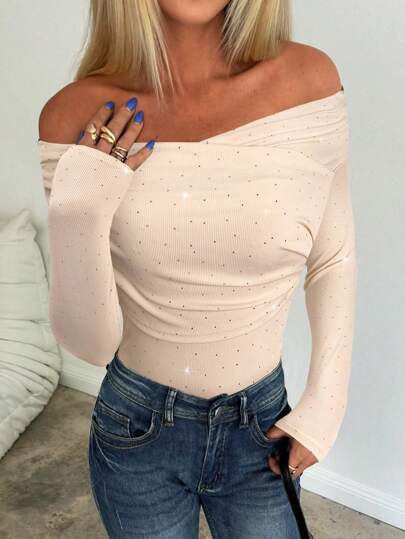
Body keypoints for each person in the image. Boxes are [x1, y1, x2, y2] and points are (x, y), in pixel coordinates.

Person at [37, 1, 357, 537]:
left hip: (263, 431)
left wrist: (326, 403)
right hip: (134, 426)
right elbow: (90, 346)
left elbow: (333, 258)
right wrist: (79, 213)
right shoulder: (76, 116)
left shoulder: (309, 82)